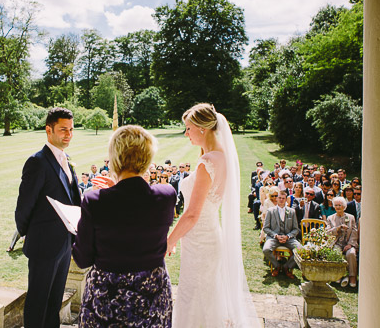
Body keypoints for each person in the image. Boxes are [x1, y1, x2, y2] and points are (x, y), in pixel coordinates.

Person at [72, 125, 176, 326]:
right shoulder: (166, 195)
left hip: (108, 298)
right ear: (147, 158)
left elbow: (82, 258)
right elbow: (135, 207)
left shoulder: (95, 200)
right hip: (153, 294)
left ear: (114, 158)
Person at [166, 103, 259, 327]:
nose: (186, 133)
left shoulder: (207, 163)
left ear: (201, 128)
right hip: (206, 237)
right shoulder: (222, 157)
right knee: (206, 298)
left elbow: (191, 214)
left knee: (193, 297)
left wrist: (169, 240)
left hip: (200, 241)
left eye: (188, 128)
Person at [14, 107, 81, 328]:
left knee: (54, 303)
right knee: (38, 302)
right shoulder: (38, 162)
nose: (68, 134)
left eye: (71, 129)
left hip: (64, 244)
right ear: (48, 130)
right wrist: (30, 234)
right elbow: (24, 206)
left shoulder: (66, 159)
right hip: (43, 244)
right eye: (63, 129)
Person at [262, 190, 303, 278]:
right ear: (277, 199)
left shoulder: (291, 211)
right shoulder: (270, 211)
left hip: (288, 238)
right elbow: (266, 228)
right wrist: (276, 235)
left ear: (286, 199)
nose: (281, 200)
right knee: (266, 250)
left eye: (283, 198)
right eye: (279, 198)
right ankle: (277, 266)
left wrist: (288, 236)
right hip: (274, 237)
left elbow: (296, 229)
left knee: (301, 250)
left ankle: (287, 267)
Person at [326, 197, 358, 287]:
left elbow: (354, 232)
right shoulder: (330, 218)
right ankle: (338, 275)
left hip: (348, 243)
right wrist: (338, 228)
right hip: (336, 243)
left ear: (344, 206)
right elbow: (328, 233)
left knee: (351, 253)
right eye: (336, 205)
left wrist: (350, 244)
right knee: (336, 252)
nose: (338, 207)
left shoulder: (351, 217)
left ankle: (352, 276)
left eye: (340, 205)